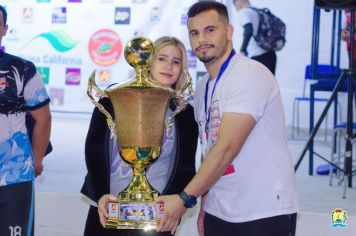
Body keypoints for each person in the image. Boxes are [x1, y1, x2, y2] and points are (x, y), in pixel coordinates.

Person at [156, 2, 299, 236]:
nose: (202, 39)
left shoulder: (249, 74)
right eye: (194, 33)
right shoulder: (203, 87)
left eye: (210, 30)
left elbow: (226, 149)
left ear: (229, 31)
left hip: (262, 212)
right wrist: (206, 203)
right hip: (220, 211)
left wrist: (184, 200)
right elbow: (209, 149)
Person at [81, 36, 199, 236]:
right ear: (149, 61)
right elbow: (94, 150)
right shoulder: (114, 98)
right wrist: (101, 196)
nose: (169, 65)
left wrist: (174, 205)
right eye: (162, 58)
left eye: (176, 61)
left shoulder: (184, 113)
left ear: (182, 68)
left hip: (157, 217)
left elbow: (186, 166)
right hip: (108, 208)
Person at [0, 5, 51, 236]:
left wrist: (36, 160)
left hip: (15, 174)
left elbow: (43, 118)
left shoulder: (22, 68)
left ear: (5, 29)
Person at [233, 0, 277, 75]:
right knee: (268, 85)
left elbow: (248, 29)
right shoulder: (260, 12)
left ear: (238, 3)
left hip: (258, 56)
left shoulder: (244, 12)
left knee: (256, 85)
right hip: (271, 54)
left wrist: (242, 51)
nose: (236, 9)